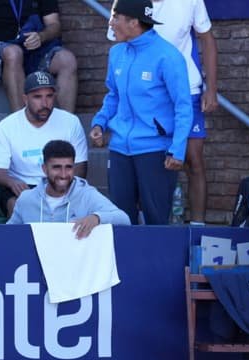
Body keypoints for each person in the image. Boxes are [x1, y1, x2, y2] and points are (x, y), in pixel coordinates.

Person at [90, 0, 191, 226]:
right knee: (120, 219)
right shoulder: (116, 53)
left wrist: (177, 149)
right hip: (119, 149)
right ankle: (124, 262)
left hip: (155, 150)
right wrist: (100, 123)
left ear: (134, 22)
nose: (111, 22)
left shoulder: (168, 56)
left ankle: (161, 262)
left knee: (157, 220)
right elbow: (113, 95)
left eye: (116, 17)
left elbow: (183, 106)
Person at [149, 0, 218, 225]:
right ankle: (154, 228)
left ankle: (197, 230)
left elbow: (206, 38)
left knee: (193, 160)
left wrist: (212, 89)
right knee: (149, 160)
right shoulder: (129, 3)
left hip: (187, 90)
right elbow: (119, 42)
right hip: (148, 93)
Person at [0, 70, 87, 218]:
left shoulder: (70, 122)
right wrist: (11, 182)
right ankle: (22, 242)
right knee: (17, 205)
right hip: (23, 186)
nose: (44, 103)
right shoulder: (6, 127)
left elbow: (80, 166)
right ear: (25, 99)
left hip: (60, 182)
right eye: (37, 97)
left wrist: (63, 185)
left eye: (49, 96)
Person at [7, 139, 129, 236]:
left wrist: (96, 218)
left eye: (68, 167)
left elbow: (124, 219)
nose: (64, 174)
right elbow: (8, 234)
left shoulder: (87, 194)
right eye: (57, 167)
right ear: (44, 169)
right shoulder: (26, 199)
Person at [0, 0, 78, 112]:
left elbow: (54, 25)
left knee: (67, 60)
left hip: (35, 50)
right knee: (13, 53)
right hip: (0, 49)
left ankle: (68, 126)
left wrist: (41, 36)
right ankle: (21, 125)